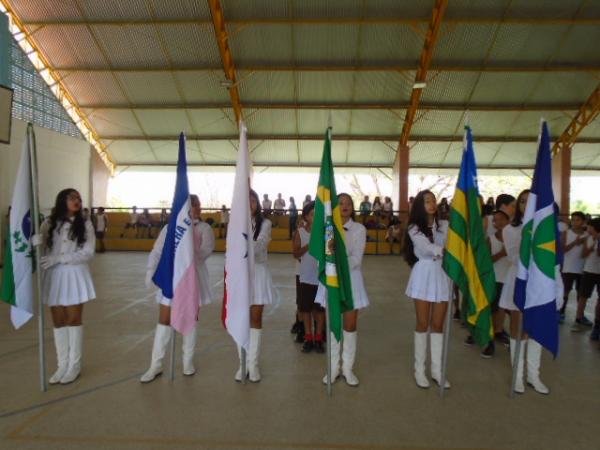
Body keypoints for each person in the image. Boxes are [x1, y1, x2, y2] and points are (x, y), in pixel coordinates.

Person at [140, 195, 215, 383]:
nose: (196, 208)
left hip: (192, 278)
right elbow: (157, 250)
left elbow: (205, 252)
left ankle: (187, 361)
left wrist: (185, 254)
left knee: (190, 318)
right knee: (164, 320)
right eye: (191, 205)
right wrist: (151, 269)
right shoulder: (169, 228)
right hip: (171, 277)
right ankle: (155, 365)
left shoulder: (204, 228)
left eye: (197, 204)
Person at [37, 188, 96, 385]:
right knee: (58, 320)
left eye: (78, 198)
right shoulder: (49, 223)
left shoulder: (85, 223)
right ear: (63, 200)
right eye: (72, 198)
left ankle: (74, 365)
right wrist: (35, 242)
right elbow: (43, 247)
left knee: (73, 319)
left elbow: (88, 252)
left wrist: (60, 258)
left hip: (74, 273)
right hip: (54, 275)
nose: (77, 201)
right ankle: (62, 364)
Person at [499, 189, 549, 395]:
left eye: (530, 202)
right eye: (522, 202)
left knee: (535, 327)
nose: (526, 205)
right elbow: (513, 257)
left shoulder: (544, 228)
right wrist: (529, 238)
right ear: (517, 207)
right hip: (519, 279)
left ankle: (533, 375)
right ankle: (517, 375)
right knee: (518, 327)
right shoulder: (511, 229)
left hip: (539, 281)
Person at [318, 193, 369, 386]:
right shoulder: (328, 228)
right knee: (333, 325)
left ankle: (347, 368)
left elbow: (356, 259)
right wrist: (331, 266)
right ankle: (332, 368)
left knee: (350, 325)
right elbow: (322, 255)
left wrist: (337, 264)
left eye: (348, 203)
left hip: (351, 281)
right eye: (341, 203)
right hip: (331, 281)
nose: (345, 206)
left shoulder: (359, 229)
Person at [404, 190, 451, 389]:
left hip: (442, 275)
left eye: (433, 200)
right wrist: (444, 251)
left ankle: (437, 371)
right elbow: (425, 247)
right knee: (423, 323)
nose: (431, 204)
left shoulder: (445, 226)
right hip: (423, 274)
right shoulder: (414, 228)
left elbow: (454, 244)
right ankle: (419, 370)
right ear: (419, 206)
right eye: (426, 201)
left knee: (438, 324)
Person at [235, 190, 274, 383]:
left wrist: (244, 244)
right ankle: (242, 363)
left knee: (255, 318)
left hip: (257, 272)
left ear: (258, 203)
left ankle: (253, 364)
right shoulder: (235, 223)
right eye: (246, 200)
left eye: (253, 200)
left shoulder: (265, 224)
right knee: (241, 318)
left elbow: (259, 247)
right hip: (239, 275)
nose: (250, 203)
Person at [293, 201, 325, 353]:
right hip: (306, 277)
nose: (316, 217)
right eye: (312, 214)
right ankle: (308, 336)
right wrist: (309, 245)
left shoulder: (325, 232)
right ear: (306, 216)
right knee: (305, 309)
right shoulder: (300, 233)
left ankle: (319, 337)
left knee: (319, 310)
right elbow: (296, 253)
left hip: (321, 277)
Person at [486, 210, 511, 354]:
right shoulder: (491, 239)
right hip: (495, 278)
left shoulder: (514, 237)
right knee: (494, 308)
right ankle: (490, 334)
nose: (498, 222)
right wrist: (502, 253)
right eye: (495, 220)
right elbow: (487, 261)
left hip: (509, 278)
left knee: (505, 308)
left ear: (508, 220)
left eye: (502, 219)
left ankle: (499, 331)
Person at [572, 218, 600, 332]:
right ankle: (578, 319)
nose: (587, 228)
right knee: (583, 296)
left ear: (594, 227)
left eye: (589, 226)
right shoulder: (588, 238)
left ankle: (597, 324)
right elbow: (583, 254)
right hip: (588, 271)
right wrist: (592, 243)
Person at [560, 211, 587, 323]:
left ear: (583, 222)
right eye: (573, 219)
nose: (575, 222)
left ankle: (579, 315)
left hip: (582, 268)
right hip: (568, 267)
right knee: (565, 290)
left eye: (578, 220)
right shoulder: (566, 233)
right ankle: (561, 312)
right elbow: (562, 249)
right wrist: (575, 243)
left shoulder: (587, 235)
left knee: (581, 293)